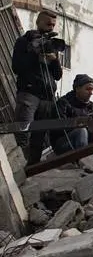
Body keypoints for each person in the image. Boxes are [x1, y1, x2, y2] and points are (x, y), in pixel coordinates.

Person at [12, 10, 64, 164]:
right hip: (29, 93)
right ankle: (16, 171)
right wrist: (35, 56)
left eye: (53, 25)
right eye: (48, 24)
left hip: (47, 97)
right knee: (22, 133)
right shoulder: (24, 42)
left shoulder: (49, 44)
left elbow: (57, 75)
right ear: (38, 22)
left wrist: (54, 59)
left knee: (39, 139)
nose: (51, 28)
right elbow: (17, 67)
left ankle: (32, 171)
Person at [50, 74, 93, 155]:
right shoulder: (63, 103)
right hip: (63, 143)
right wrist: (80, 124)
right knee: (81, 131)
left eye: (92, 89)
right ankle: (84, 161)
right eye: (88, 89)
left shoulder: (91, 107)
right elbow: (58, 128)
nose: (91, 93)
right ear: (78, 89)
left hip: (85, 141)